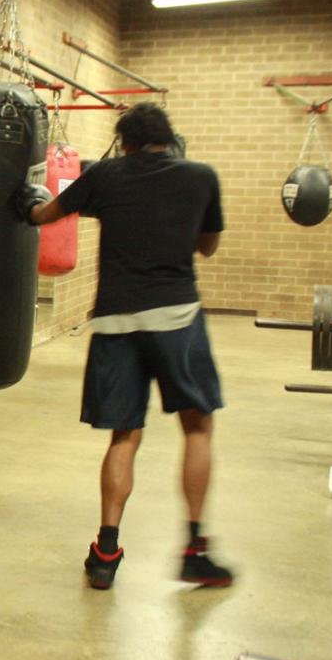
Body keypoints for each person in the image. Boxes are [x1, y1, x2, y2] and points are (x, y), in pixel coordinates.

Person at [16, 103, 233, 591]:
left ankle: (106, 552)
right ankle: (196, 550)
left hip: (116, 324)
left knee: (124, 436)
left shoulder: (105, 175)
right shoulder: (200, 176)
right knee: (198, 427)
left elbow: (42, 215)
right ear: (168, 139)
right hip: (177, 318)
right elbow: (208, 246)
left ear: (126, 141)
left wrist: (22, 196)